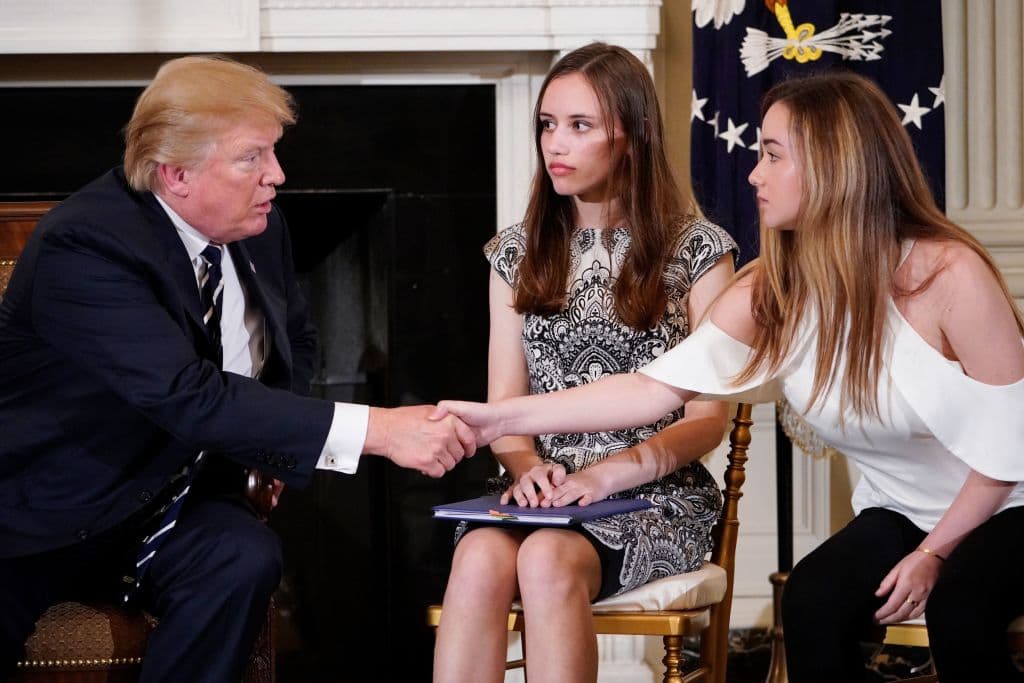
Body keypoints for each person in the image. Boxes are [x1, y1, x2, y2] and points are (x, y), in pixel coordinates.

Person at [434, 71, 1024, 683]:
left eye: (771, 155)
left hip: (1008, 500)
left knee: (962, 607)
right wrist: (498, 420)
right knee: (812, 600)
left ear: (833, 165)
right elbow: (652, 389)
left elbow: (1009, 449)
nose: (752, 175)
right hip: (902, 510)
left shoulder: (950, 275)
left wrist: (934, 553)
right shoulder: (776, 288)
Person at [0, 55, 476, 683]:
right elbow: (186, 393)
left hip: (177, 497)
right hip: (49, 510)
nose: (276, 176)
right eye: (252, 157)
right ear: (176, 175)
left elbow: (293, 340)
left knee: (243, 557)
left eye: (274, 153)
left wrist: (265, 454)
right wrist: (383, 431)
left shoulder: (257, 226)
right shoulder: (85, 245)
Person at [432, 42, 736, 683]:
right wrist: (529, 468)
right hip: (546, 493)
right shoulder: (514, 254)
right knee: (479, 556)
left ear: (633, 133)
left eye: (579, 126)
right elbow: (505, 410)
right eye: (547, 124)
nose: (555, 145)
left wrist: (607, 476)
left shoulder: (700, 249)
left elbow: (710, 418)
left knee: (545, 558)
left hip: (657, 494)